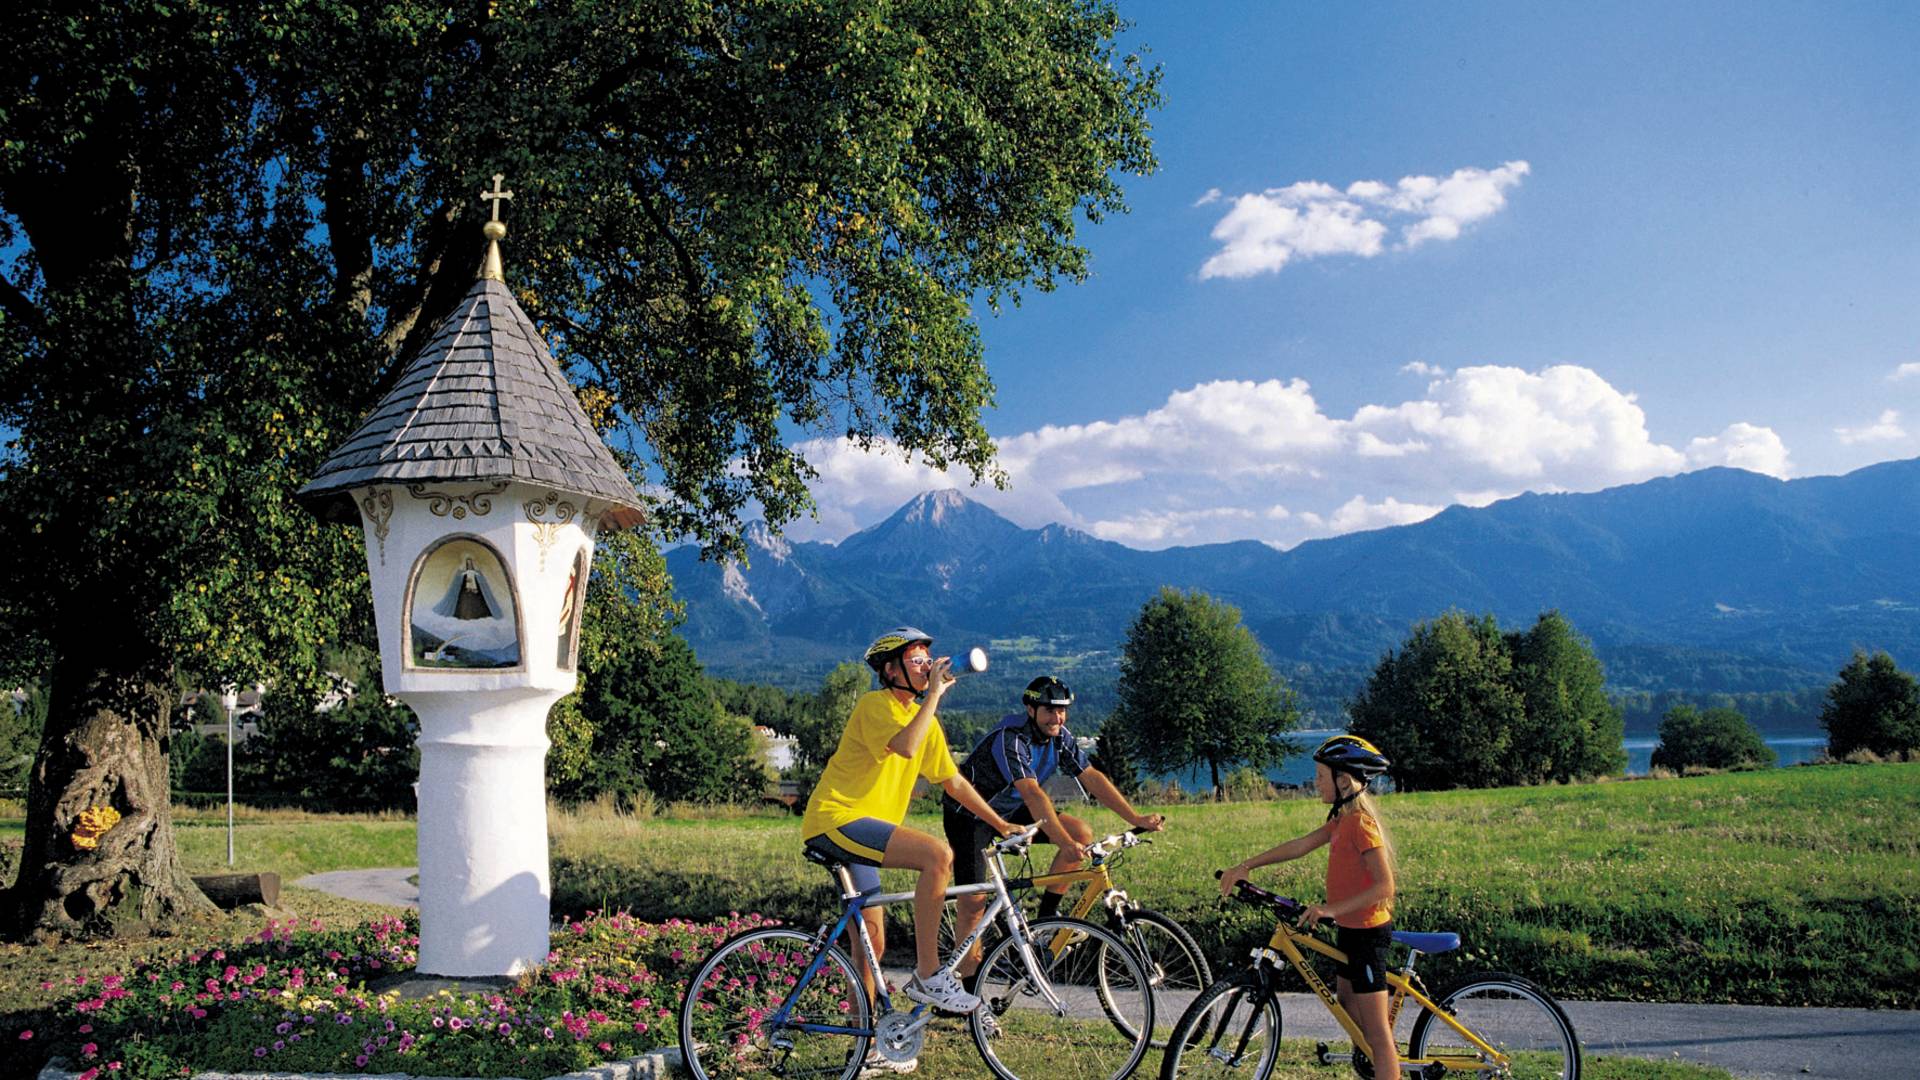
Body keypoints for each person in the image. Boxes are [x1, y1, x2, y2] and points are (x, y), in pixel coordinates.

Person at [799, 626, 1018, 1036]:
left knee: (871, 947)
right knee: (937, 855)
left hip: (863, 832)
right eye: (915, 660)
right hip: (836, 819)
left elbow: (952, 781)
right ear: (890, 670)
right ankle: (928, 974)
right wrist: (933, 696)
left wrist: (999, 822)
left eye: (926, 659)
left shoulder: (924, 719)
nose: (925, 666)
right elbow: (904, 747)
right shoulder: (874, 705)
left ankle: (863, 1044)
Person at [942, 675, 1165, 979]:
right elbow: (1033, 793)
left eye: (1062, 710)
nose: (1057, 717)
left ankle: (1046, 921)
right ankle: (965, 988)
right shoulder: (1011, 738)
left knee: (1081, 833)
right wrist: (1061, 842)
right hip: (970, 814)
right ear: (1031, 709)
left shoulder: (1060, 736)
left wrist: (1135, 818)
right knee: (973, 903)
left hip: (1011, 807)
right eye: (1049, 710)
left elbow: (1091, 777)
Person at [1217, 735, 1398, 1080]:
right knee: (1346, 1005)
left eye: (1319, 776)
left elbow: (1384, 887)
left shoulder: (1361, 824)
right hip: (1350, 931)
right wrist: (1247, 866)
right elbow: (1299, 846)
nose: (1314, 783)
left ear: (1343, 780)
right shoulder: (1341, 821)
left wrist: (1330, 909)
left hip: (1368, 937)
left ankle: (1386, 1068)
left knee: (1377, 1034)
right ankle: (1374, 1067)